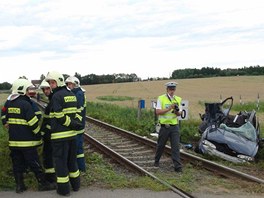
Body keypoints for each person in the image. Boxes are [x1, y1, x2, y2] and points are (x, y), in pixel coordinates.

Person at [1, 78, 55, 193]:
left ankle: (19, 186)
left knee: (17, 164)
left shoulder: (10, 103)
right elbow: (33, 123)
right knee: (34, 163)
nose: (28, 91)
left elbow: (5, 117)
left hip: (14, 142)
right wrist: (39, 134)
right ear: (22, 90)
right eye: (27, 89)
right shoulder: (25, 104)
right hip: (27, 142)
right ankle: (43, 184)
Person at [45, 71, 81, 196]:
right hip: (72, 136)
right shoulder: (71, 94)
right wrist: (74, 124)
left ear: (58, 82)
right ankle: (76, 186)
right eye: (50, 82)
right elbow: (76, 113)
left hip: (59, 137)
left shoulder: (56, 96)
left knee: (60, 164)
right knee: (72, 161)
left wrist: (70, 123)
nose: (51, 85)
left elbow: (59, 115)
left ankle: (64, 190)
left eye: (52, 82)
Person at [154, 81, 183, 172]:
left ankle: (177, 166)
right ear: (167, 89)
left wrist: (176, 111)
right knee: (161, 145)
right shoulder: (161, 98)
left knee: (175, 146)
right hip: (164, 126)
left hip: (174, 126)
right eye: (170, 89)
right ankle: (156, 160)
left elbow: (179, 114)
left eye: (173, 89)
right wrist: (169, 108)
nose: (172, 91)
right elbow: (158, 112)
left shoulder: (178, 99)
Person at [65, 76, 86, 172]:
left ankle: (80, 168)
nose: (69, 86)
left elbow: (78, 110)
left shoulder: (78, 94)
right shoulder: (77, 93)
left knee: (77, 148)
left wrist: (73, 122)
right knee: (78, 148)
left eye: (70, 84)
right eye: (68, 84)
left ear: (75, 84)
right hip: (78, 124)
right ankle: (80, 167)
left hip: (78, 125)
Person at [39, 80, 56, 184]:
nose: (45, 91)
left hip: (51, 134)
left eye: (47, 88)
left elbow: (51, 119)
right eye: (44, 89)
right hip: (51, 133)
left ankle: (51, 178)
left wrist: (45, 132)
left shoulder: (54, 100)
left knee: (49, 155)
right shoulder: (52, 99)